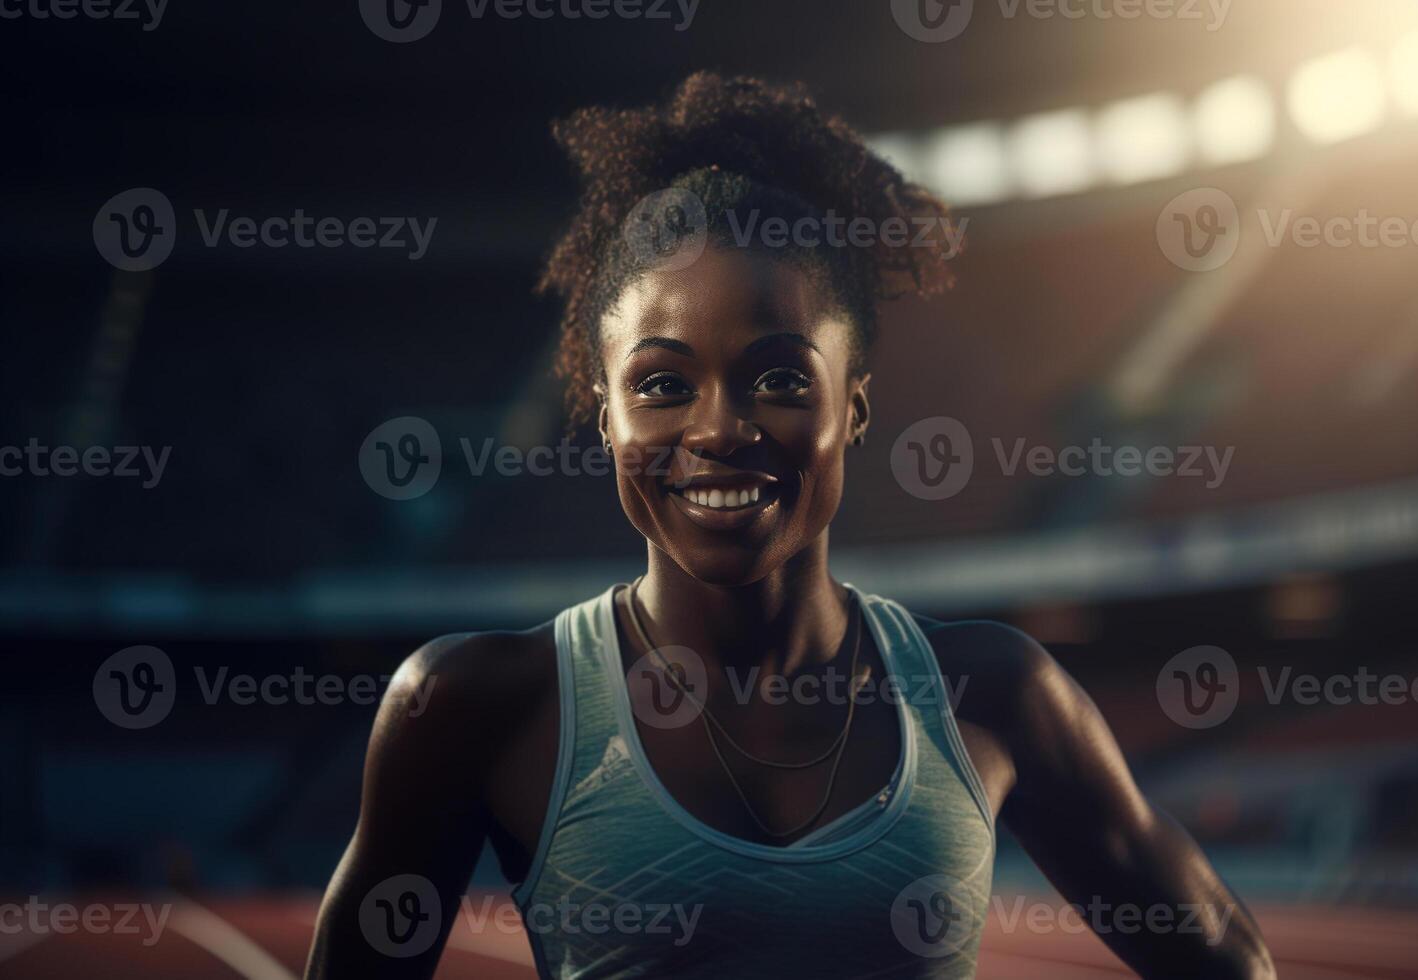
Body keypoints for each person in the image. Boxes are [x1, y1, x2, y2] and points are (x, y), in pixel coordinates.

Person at [305, 73, 1272, 980]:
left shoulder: (994, 693)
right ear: (604, 417)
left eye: (777, 377)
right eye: (661, 384)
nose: (720, 426)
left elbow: (1231, 961)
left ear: (851, 405)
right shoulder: (471, 705)